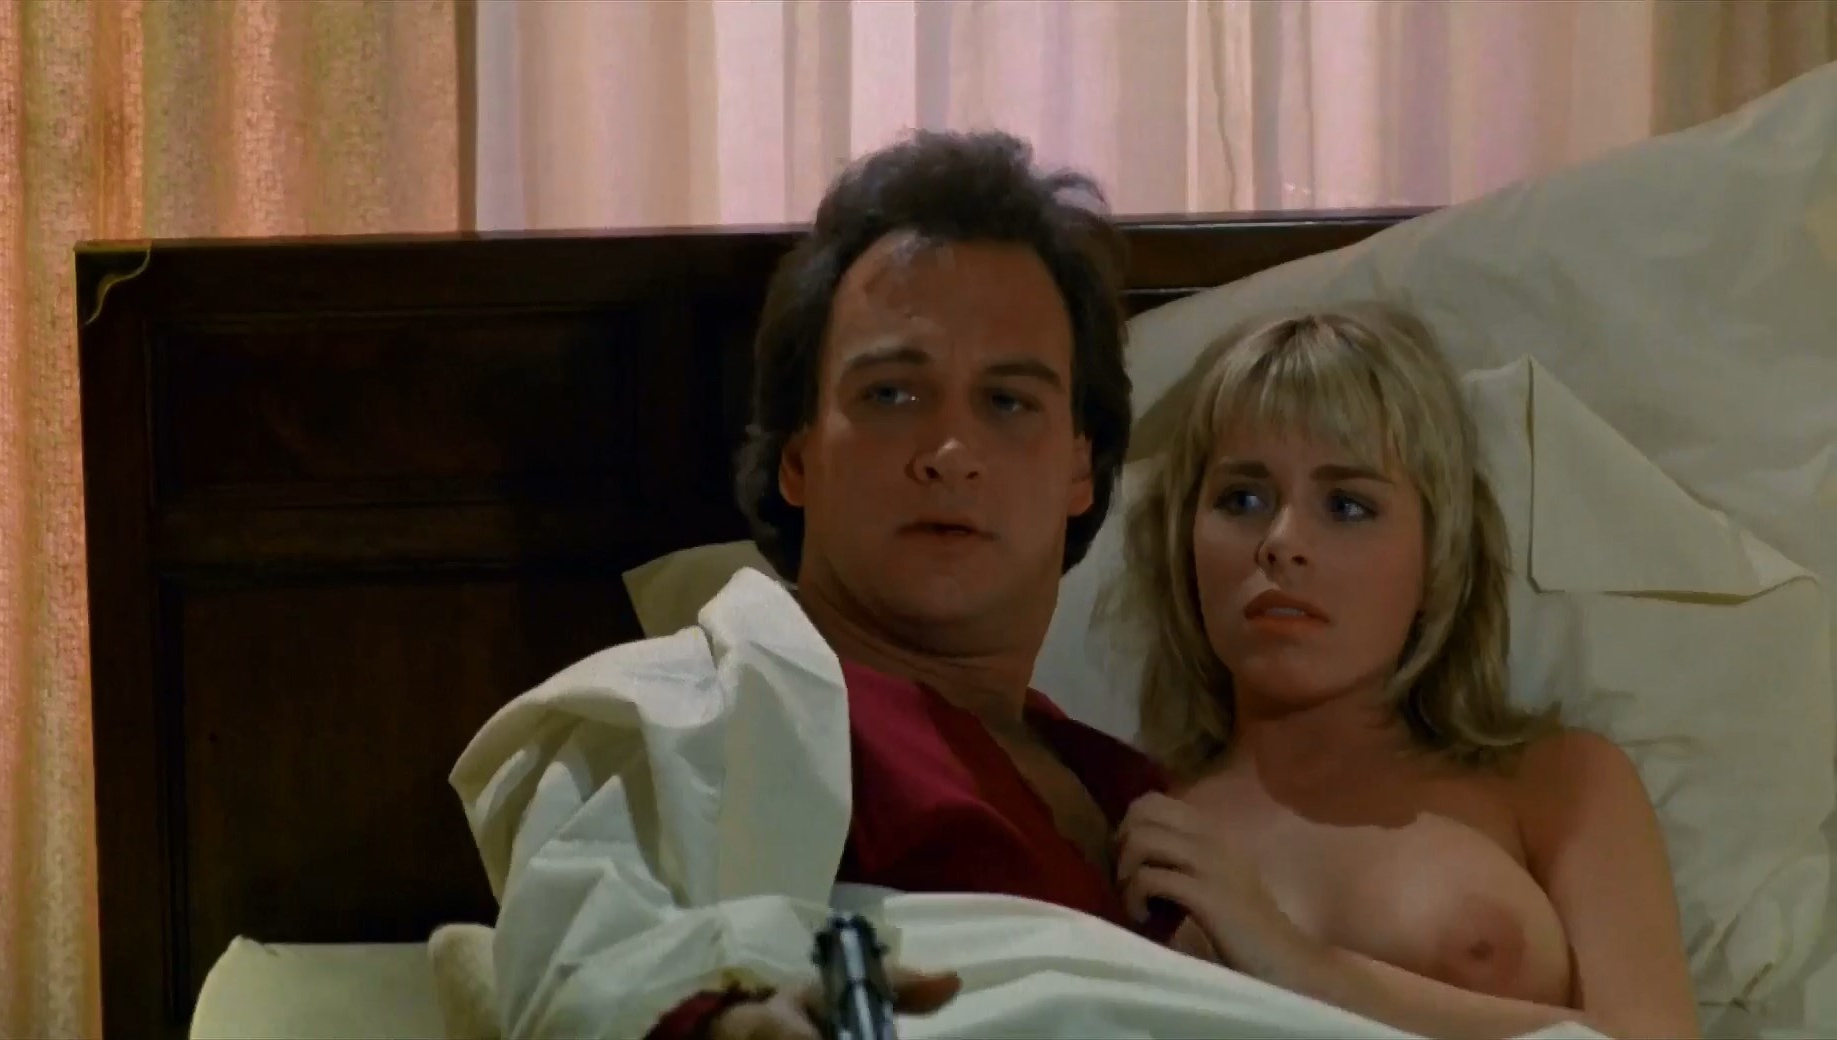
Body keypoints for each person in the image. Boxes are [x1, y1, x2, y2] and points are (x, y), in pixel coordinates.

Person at [453, 129, 1188, 1040]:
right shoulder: (704, 714)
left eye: (1008, 402)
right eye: (891, 394)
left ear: (1080, 466)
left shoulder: (1140, 797)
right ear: (798, 457)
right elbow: (597, 969)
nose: (949, 453)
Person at [1107, 304, 1701, 1039]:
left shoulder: (1559, 785)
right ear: (1183, 540)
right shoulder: (1136, 818)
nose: (1282, 541)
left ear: (1438, 555)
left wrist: (1301, 967)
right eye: (1243, 499)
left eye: (1347, 505)